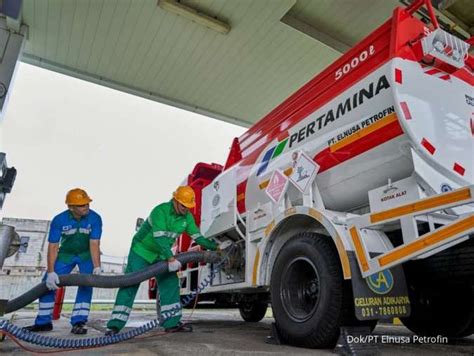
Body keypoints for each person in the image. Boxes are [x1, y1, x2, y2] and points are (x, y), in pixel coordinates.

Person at [105, 186, 218, 335]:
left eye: (188, 207)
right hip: (141, 251)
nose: (186, 209)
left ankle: (171, 323)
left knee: (170, 282)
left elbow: (198, 237)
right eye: (183, 206)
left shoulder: (187, 217)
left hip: (160, 254)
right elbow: (160, 238)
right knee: (130, 284)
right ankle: (114, 325)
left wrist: (215, 247)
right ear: (175, 201)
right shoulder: (160, 211)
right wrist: (171, 259)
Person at [24, 188, 102, 335]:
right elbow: (53, 246)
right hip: (65, 255)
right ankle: (43, 322)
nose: (86, 207)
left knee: (86, 284)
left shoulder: (95, 218)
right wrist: (51, 271)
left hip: (86, 255)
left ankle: (79, 321)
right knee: (48, 283)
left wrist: (97, 266)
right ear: (71, 207)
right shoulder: (59, 220)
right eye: (81, 205)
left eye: (87, 203)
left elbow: (94, 243)